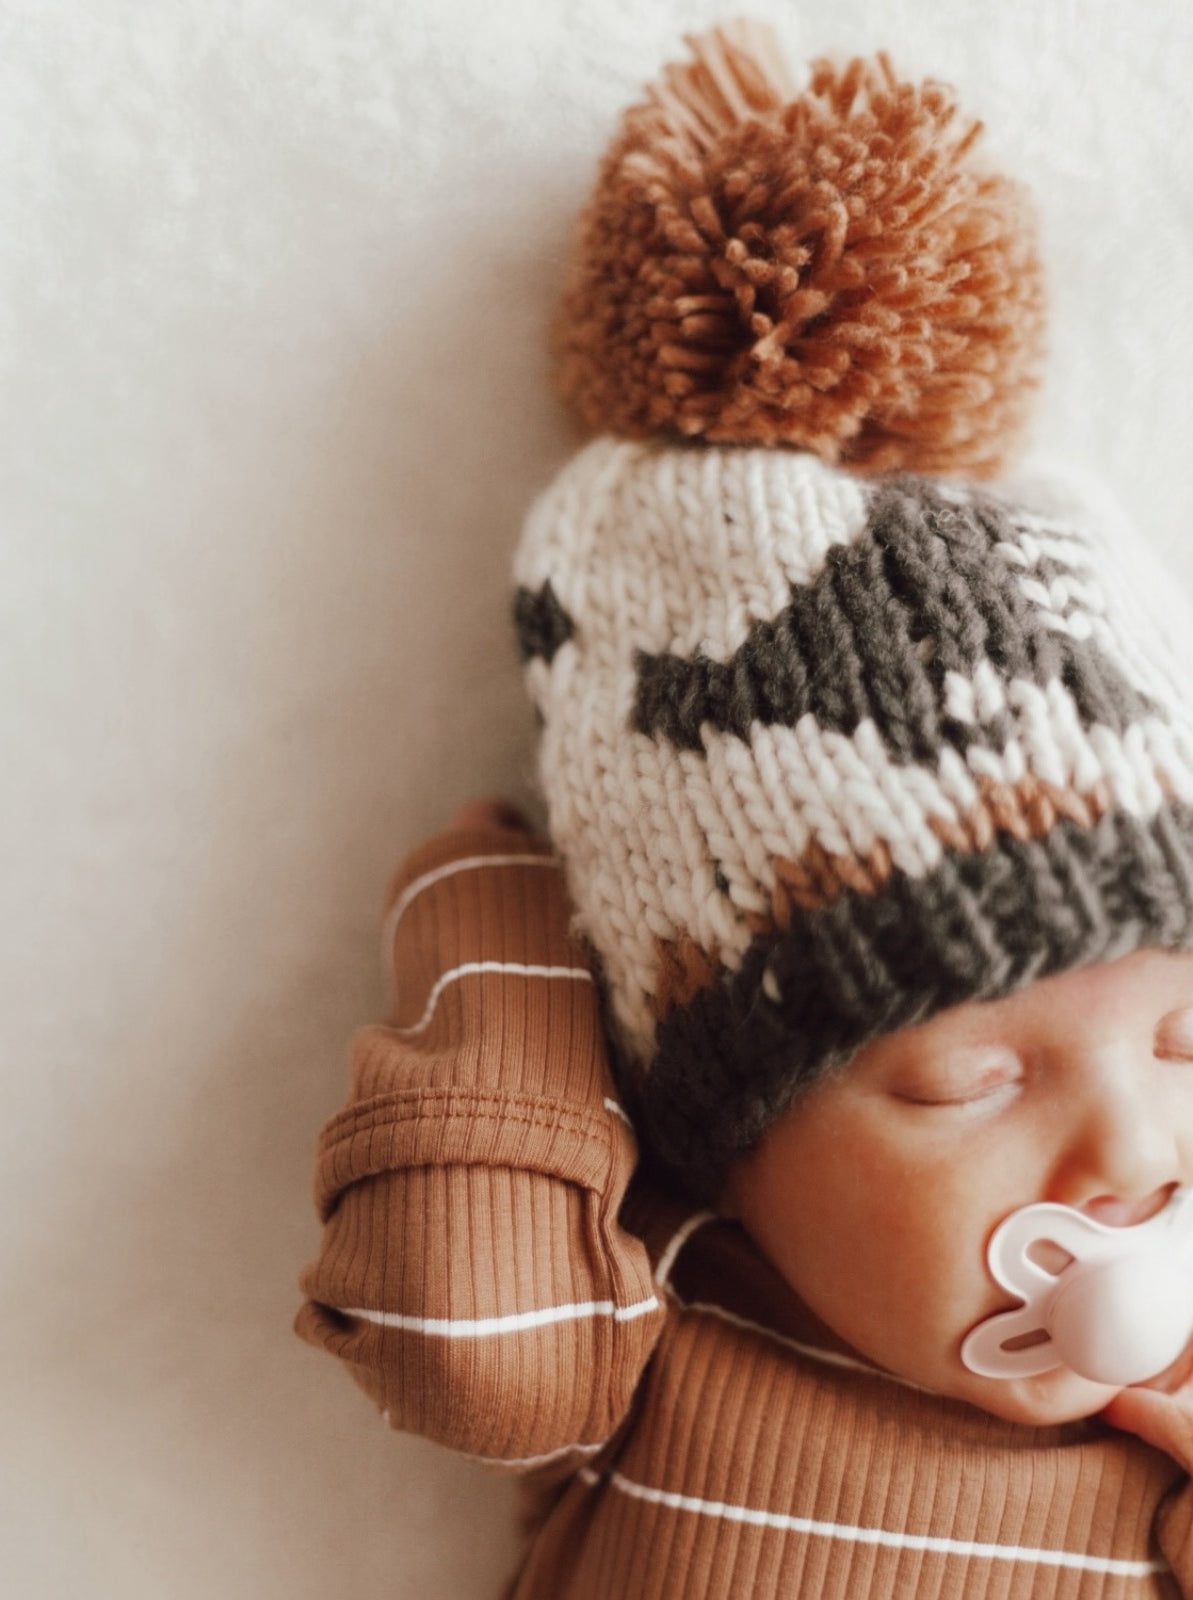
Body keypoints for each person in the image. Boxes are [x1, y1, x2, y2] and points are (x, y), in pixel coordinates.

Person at [296, 23, 1193, 1596]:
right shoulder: (646, 1311)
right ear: (725, 1142)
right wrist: (508, 897)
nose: (1130, 1151)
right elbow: (457, 1336)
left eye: (1188, 1041)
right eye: (964, 1083)